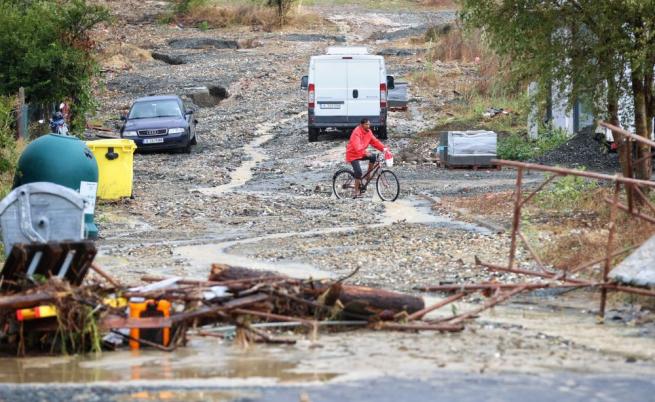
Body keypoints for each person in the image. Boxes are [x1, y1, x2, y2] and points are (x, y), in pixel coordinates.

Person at [345, 118, 386, 198]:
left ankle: (368, 176)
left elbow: (375, 142)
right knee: (358, 172)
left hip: (361, 153)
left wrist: (385, 149)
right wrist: (365, 153)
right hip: (353, 154)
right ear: (362, 125)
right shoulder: (356, 132)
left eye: (369, 124)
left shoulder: (369, 132)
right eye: (366, 124)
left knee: (373, 157)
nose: (368, 126)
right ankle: (356, 191)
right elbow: (357, 147)